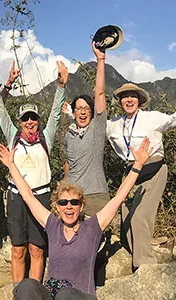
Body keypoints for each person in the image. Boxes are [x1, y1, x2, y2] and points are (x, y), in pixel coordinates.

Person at [0, 137, 152, 300]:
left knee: (64, 295)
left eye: (74, 202)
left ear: (81, 206)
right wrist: (12, 165)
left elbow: (118, 198)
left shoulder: (92, 228)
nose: (69, 206)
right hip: (52, 294)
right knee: (27, 285)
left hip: (81, 296)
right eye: (63, 202)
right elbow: (28, 196)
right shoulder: (52, 225)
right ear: (57, 206)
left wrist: (138, 165)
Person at [0, 60, 68, 285]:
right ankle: (17, 293)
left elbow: (56, 115)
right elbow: (1, 110)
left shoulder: (46, 138)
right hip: (16, 197)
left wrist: (61, 87)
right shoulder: (13, 136)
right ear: (20, 122)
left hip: (41, 197)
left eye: (33, 118)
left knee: (38, 249)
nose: (30, 122)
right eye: (25, 118)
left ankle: (33, 293)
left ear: (38, 121)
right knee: (18, 249)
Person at [104, 75, 176, 270]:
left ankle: (146, 267)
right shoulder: (114, 124)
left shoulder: (152, 117)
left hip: (153, 169)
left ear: (139, 100)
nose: (129, 100)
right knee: (126, 217)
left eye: (133, 96)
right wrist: (72, 112)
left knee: (140, 216)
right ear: (120, 101)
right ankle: (134, 253)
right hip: (131, 172)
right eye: (125, 97)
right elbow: (95, 127)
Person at [63, 42, 110, 286]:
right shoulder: (69, 134)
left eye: (86, 108)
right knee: (75, 249)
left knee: (98, 247)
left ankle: (97, 288)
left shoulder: (96, 129)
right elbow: (68, 164)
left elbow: (100, 94)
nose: (82, 111)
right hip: (74, 198)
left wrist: (100, 60)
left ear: (91, 112)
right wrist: (63, 189)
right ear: (72, 112)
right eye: (78, 108)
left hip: (97, 195)